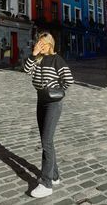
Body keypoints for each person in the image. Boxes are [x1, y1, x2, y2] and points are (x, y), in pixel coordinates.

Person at [24, 32, 74, 198]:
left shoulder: (57, 59)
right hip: (41, 101)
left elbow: (68, 80)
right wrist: (33, 54)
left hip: (53, 102)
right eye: (38, 43)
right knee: (47, 140)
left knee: (46, 141)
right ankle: (54, 176)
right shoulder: (37, 59)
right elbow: (25, 71)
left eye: (42, 43)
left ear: (50, 44)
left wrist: (55, 89)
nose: (40, 45)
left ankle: (46, 183)